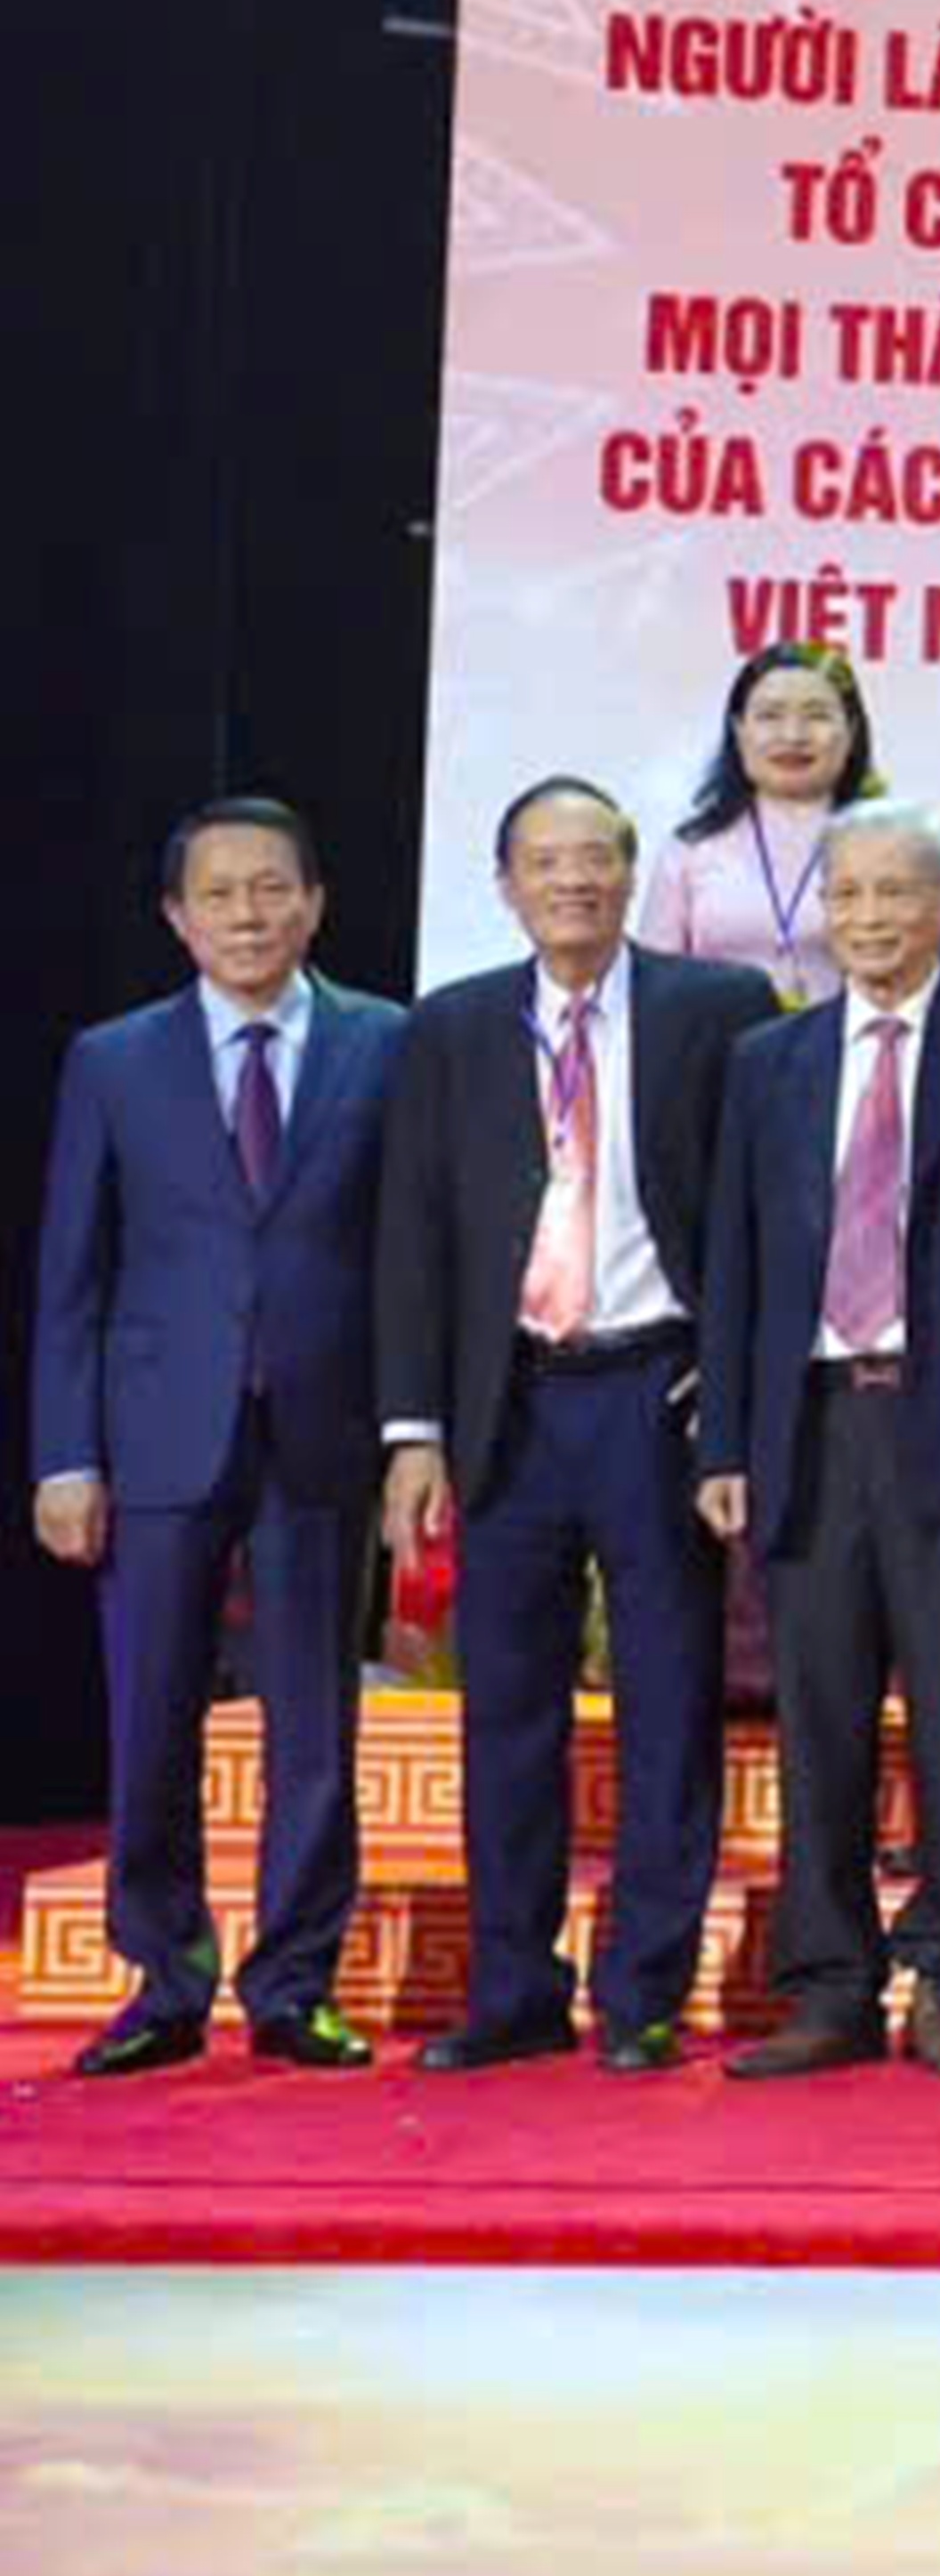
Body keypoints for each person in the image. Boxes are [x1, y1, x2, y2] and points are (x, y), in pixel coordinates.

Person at [375, 781, 777, 2072]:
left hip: (656, 1392)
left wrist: (731, 1386)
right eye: (545, 863)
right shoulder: (451, 1028)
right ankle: (513, 1987)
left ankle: (644, 1988)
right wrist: (414, 1428)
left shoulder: (715, 1008)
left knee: (669, 1699)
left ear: (629, 869)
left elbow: (759, 1215)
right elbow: (414, 1235)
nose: (574, 882)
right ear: (507, 884)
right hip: (509, 1403)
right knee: (507, 1709)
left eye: (596, 858)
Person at [691, 803, 940, 2077]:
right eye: (846, 893)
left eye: (895, 892)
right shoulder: (770, 1061)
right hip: (809, 1427)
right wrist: (726, 1443)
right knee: (821, 1723)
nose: (868, 917)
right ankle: (829, 1985)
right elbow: (738, 1266)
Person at [36, 796, 402, 2074]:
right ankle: (162, 1978)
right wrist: (65, 1456)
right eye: (220, 894)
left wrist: (411, 1430)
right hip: (155, 1433)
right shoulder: (114, 1059)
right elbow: (72, 1273)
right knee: (151, 1715)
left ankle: (296, 1983)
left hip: (323, 1426)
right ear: (177, 917)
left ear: (315, 902)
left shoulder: (385, 1043)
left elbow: (408, 1252)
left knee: (316, 1728)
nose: (248, 914)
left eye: (271, 888)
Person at [641, 640, 876, 1009]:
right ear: (739, 730)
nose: (793, 735)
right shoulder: (691, 847)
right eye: (770, 716)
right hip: (713, 1042)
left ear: (851, 731)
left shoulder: (886, 844)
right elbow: (653, 984)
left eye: (816, 716)